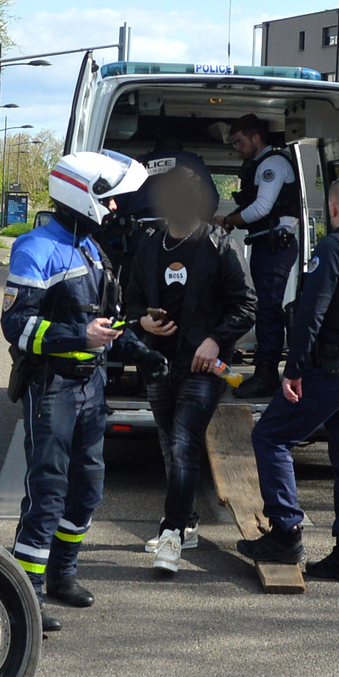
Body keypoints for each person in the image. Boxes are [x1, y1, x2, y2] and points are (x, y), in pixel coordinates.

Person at [0, 150, 148, 629]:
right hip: (52, 385)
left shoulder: (90, 246)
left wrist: (140, 346)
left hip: (91, 385)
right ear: (81, 196)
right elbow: (15, 324)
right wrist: (76, 337)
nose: (114, 210)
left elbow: (101, 318)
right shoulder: (35, 247)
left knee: (88, 489)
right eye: (108, 200)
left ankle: (62, 573)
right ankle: (27, 593)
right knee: (48, 491)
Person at [237, 175, 339, 582]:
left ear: (332, 209)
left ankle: (286, 531)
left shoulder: (334, 247)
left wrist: (293, 370)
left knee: (271, 436)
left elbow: (311, 312)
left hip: (335, 366)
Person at [124, 165, 256, 575]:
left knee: (184, 443)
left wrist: (216, 339)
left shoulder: (219, 245)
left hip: (204, 365)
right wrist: (142, 323)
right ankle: (190, 523)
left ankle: (171, 534)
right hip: (158, 361)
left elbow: (246, 305)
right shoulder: (147, 246)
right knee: (169, 444)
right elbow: (129, 303)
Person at [218, 114, 299, 400]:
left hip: (276, 245)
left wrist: (229, 219)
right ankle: (264, 372)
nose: (237, 148)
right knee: (265, 307)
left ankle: (266, 376)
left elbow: (262, 208)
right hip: (267, 244)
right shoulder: (260, 164)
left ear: (256, 137)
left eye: (239, 141)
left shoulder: (272, 164)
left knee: (267, 308)